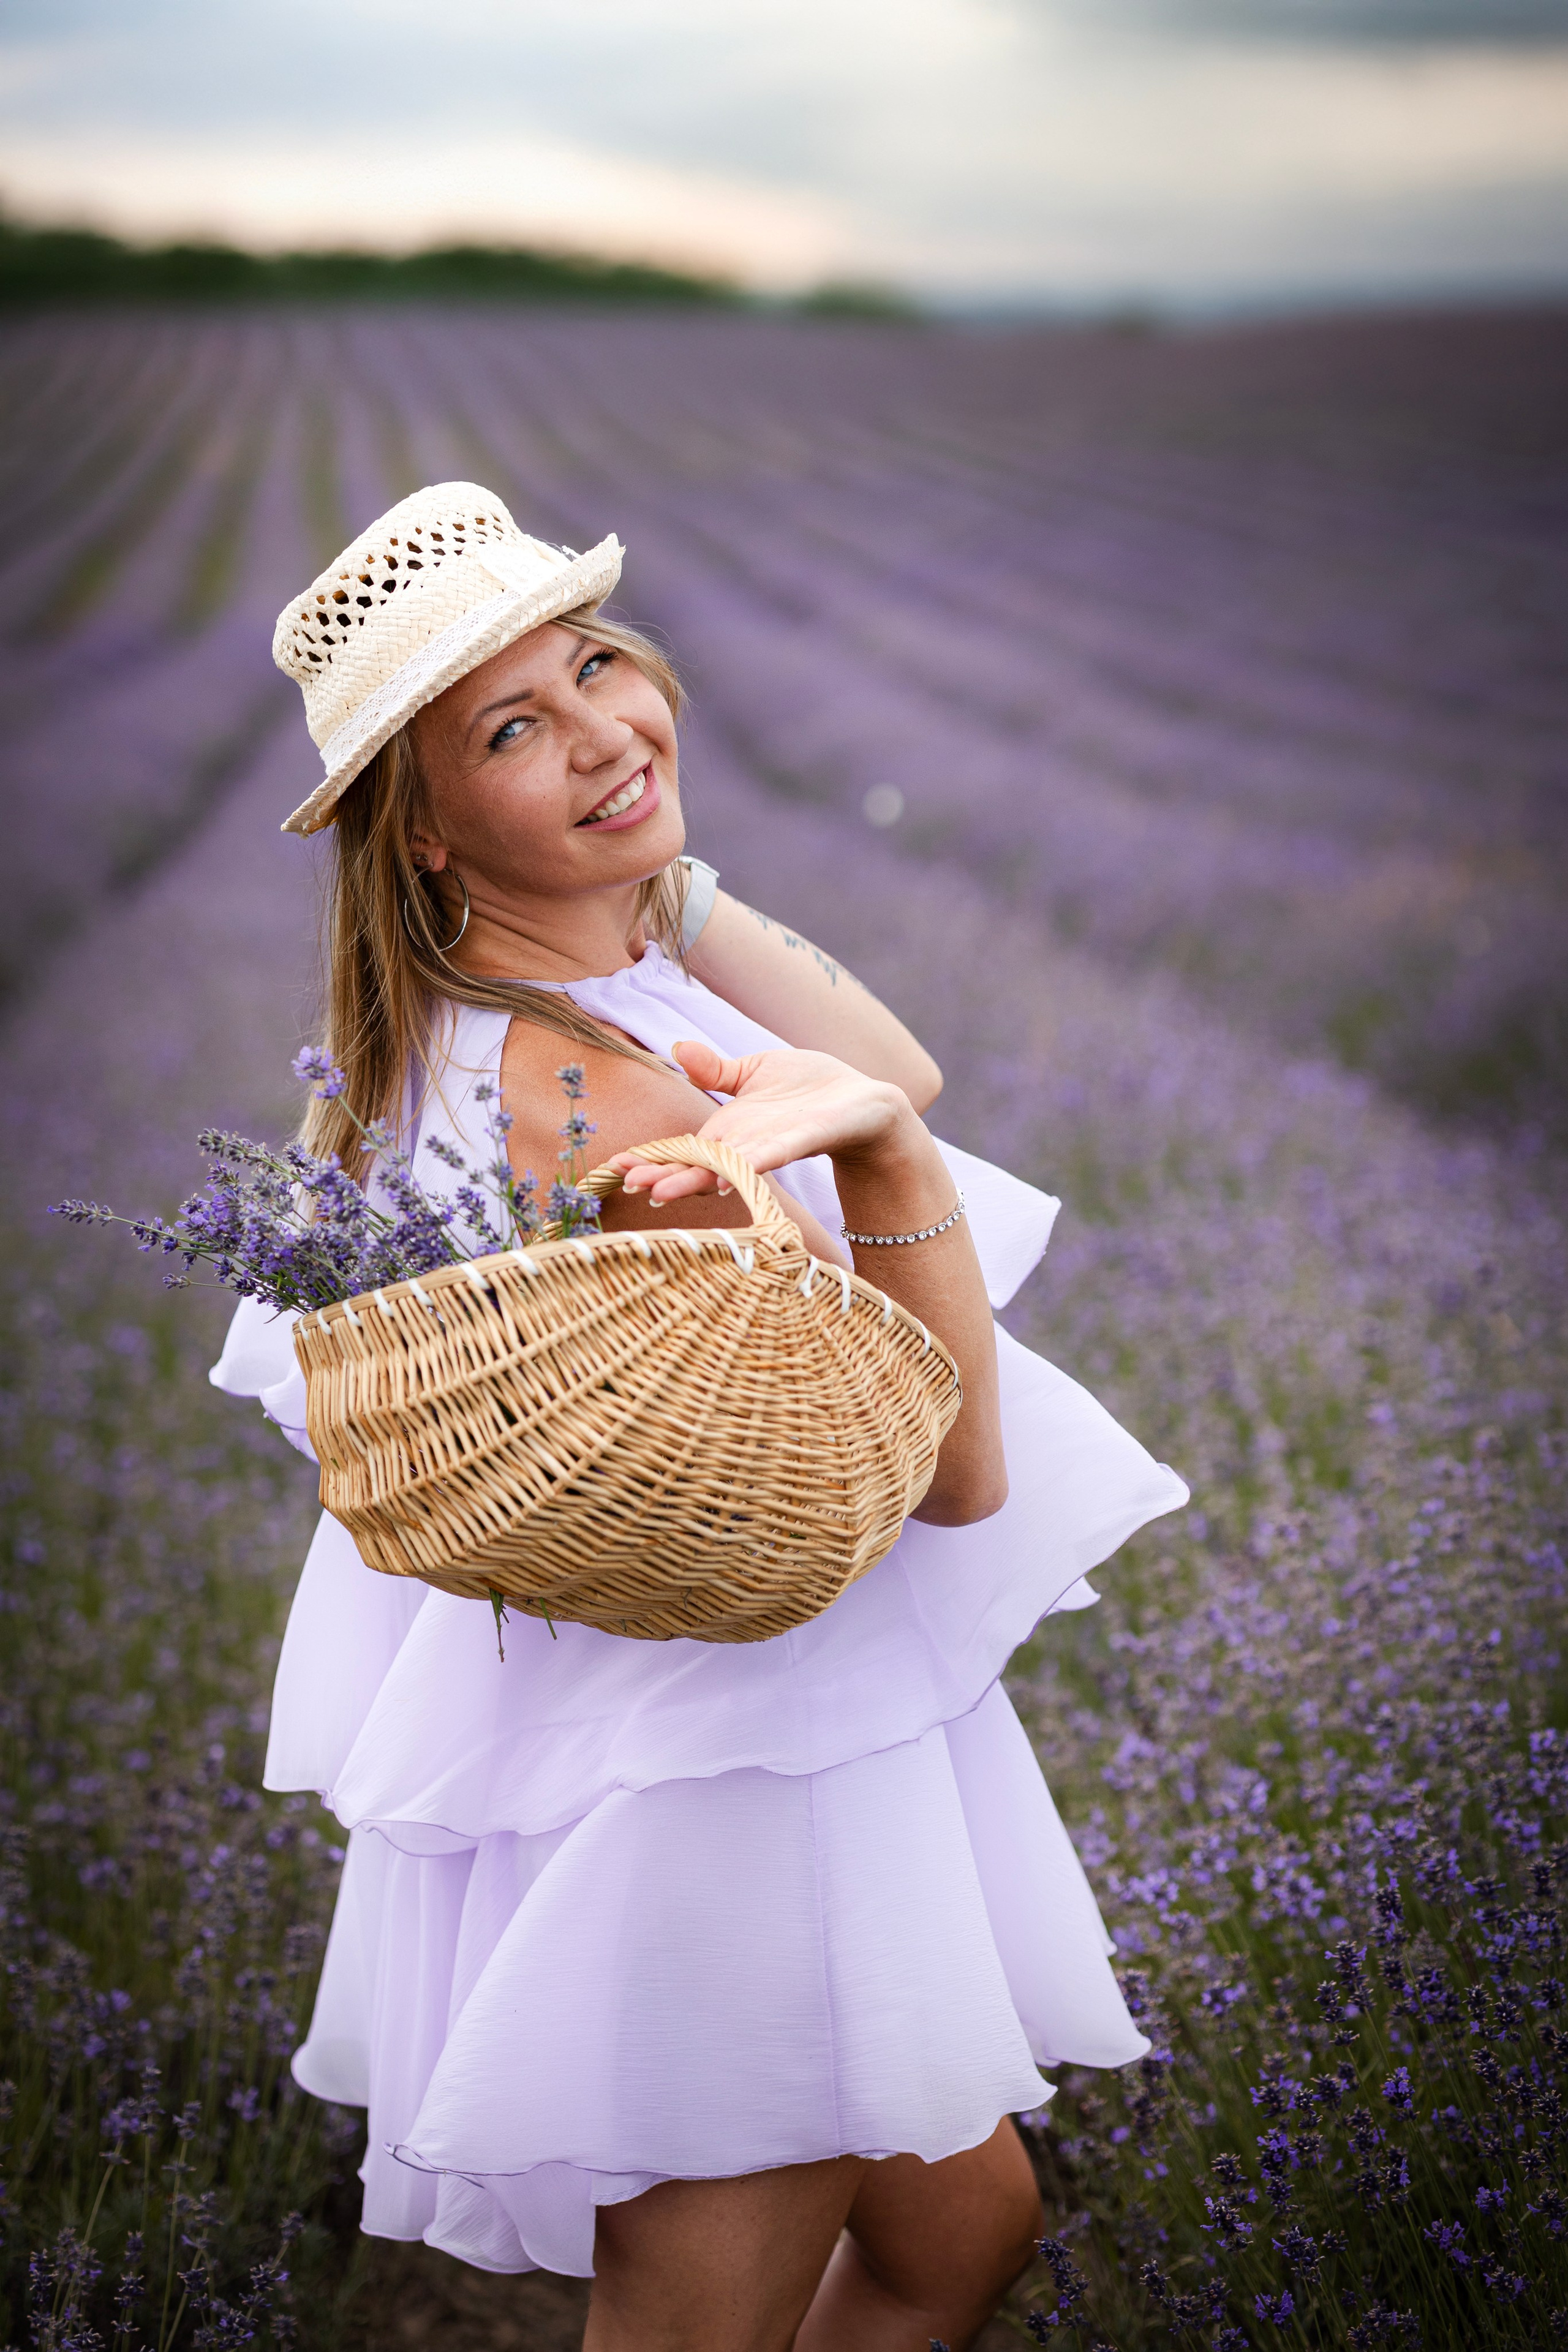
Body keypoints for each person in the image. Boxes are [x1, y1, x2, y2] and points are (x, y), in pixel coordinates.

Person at [213, 484, 1187, 2351]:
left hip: (735, 1728)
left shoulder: (545, 998)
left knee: (957, 2232)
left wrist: (667, 881)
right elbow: (952, 1475)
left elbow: (886, 1062)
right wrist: (889, 1165)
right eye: (512, 732)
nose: (601, 735)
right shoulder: (592, 1094)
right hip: (737, 1778)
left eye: (595, 667)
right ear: (420, 834)